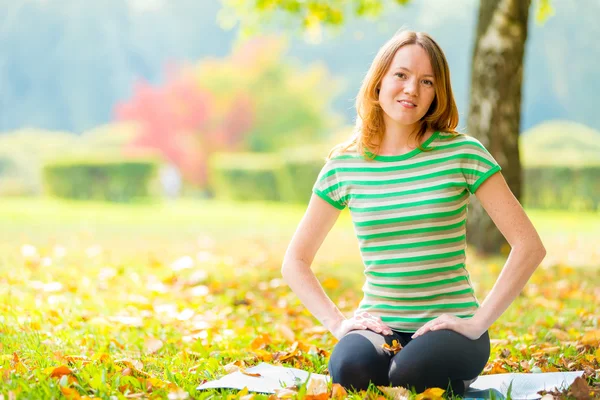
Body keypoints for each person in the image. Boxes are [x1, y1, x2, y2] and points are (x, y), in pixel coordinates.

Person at [280, 29, 546, 396]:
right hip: (381, 328)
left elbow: (529, 246)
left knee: (409, 376)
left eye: (426, 82)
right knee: (349, 370)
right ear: (378, 82)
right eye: (401, 75)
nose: (412, 90)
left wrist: (476, 322)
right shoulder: (345, 164)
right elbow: (295, 260)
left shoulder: (462, 153)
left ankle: (435, 362)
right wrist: (340, 325)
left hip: (450, 330)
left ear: (437, 94)